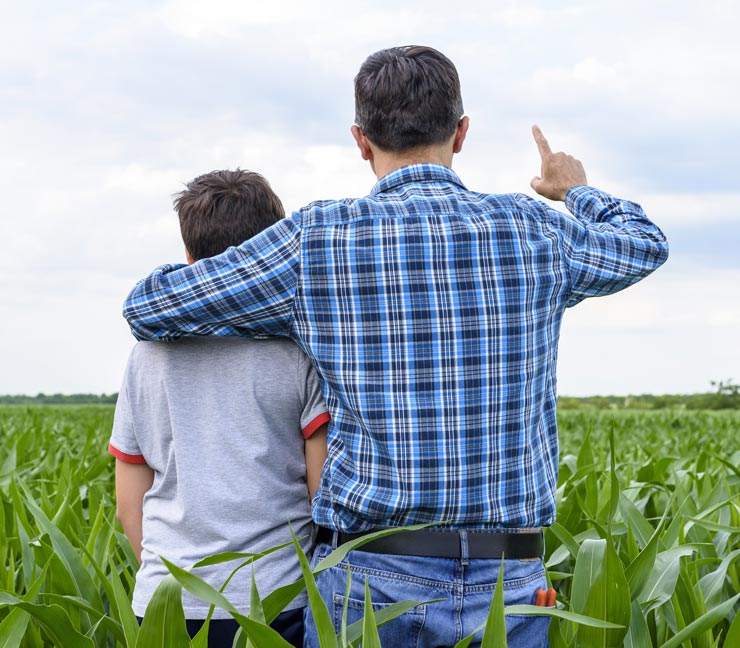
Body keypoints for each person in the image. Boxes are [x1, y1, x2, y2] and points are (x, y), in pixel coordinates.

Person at [122, 46, 669, 647]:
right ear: (461, 133)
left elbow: (149, 307)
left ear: (361, 141)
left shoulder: (317, 240)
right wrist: (574, 191)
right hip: (509, 581)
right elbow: (642, 242)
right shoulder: (533, 229)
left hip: (369, 578)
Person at [109, 169, 330, 647]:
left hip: (165, 602)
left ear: (188, 258)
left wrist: (176, 583)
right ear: (271, 251)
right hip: (277, 600)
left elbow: (130, 503)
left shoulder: (145, 355)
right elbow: (321, 494)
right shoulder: (296, 351)